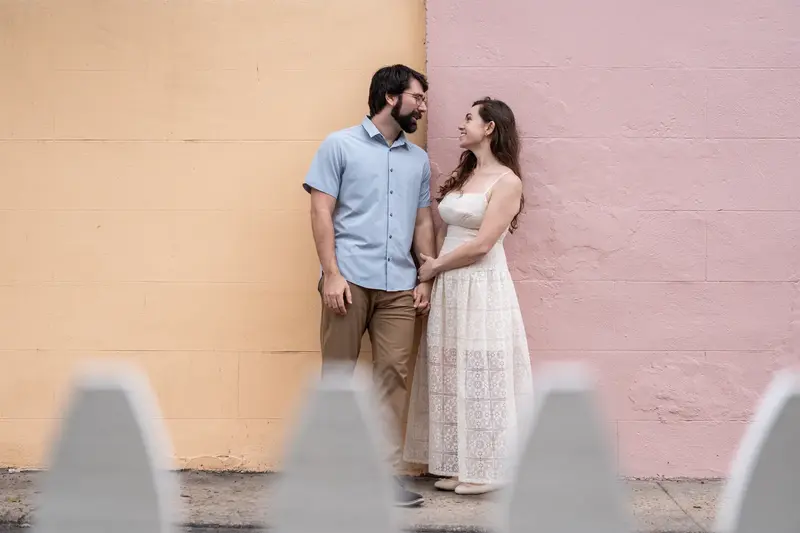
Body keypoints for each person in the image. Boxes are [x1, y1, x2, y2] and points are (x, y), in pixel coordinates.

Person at [303, 64, 436, 507]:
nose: (423, 105)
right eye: (417, 96)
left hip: (399, 283)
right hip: (350, 279)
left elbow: (421, 221)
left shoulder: (418, 160)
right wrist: (332, 273)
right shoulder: (339, 145)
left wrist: (425, 276)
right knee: (339, 376)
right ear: (390, 97)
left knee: (392, 377)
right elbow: (321, 212)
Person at [403, 97, 534, 495]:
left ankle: (490, 469)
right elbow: (447, 231)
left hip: (481, 284)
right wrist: (431, 276)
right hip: (451, 284)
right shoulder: (465, 176)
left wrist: (434, 267)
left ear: (490, 127)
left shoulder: (508, 182)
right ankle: (462, 464)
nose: (461, 125)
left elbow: (482, 245)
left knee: (483, 370)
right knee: (451, 370)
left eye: (469, 119)